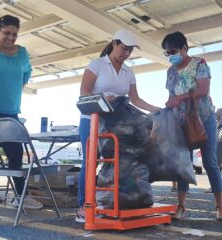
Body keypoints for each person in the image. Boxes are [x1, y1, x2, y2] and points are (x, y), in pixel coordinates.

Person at [76, 29, 161, 223]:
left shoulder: (128, 72)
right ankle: (84, 205)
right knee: (90, 162)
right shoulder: (97, 65)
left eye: (130, 50)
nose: (126, 53)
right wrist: (104, 97)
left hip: (116, 126)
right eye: (124, 48)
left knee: (117, 163)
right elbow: (84, 92)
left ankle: (111, 202)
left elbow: (135, 99)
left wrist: (157, 109)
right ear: (114, 44)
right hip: (92, 121)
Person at [0, 15, 43, 209]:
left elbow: (26, 74)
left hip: (9, 112)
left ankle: (20, 196)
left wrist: (12, 91)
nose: (10, 38)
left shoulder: (22, 53)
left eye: (14, 34)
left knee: (16, 154)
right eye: (6, 33)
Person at [162, 31, 222, 220]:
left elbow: (203, 90)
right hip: (180, 122)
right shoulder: (170, 71)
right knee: (182, 163)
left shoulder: (199, 63)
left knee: (210, 162)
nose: (170, 56)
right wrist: (169, 105)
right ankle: (181, 205)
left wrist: (179, 98)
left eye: (172, 51)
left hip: (203, 119)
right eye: (166, 53)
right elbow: (172, 96)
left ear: (184, 49)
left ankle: (220, 205)